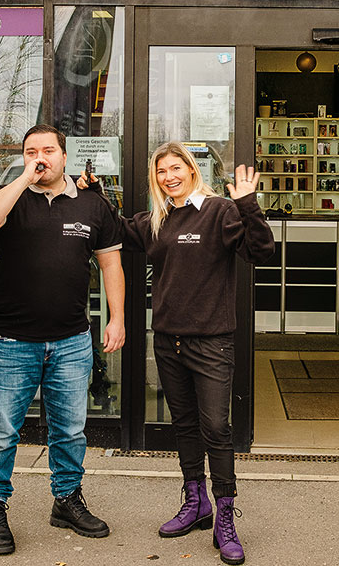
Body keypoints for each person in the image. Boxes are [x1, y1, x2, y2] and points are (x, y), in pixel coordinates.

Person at [81, 141, 274, 566]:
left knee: (216, 429)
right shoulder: (157, 220)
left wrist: (248, 204)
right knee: (184, 426)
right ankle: (195, 502)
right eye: (161, 171)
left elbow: (261, 252)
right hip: (169, 341)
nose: (169, 176)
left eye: (175, 168)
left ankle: (225, 516)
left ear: (191, 169)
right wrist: (95, 193)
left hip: (212, 341)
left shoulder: (220, 211)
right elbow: (114, 228)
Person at [0, 124, 125, 556]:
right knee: (2, 433)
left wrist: (118, 319)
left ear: (64, 156)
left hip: (72, 340)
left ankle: (67, 500)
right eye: (31, 151)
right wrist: (23, 179)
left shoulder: (92, 205)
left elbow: (111, 264)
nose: (41, 157)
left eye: (49, 150)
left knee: (71, 430)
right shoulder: (12, 199)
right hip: (9, 340)